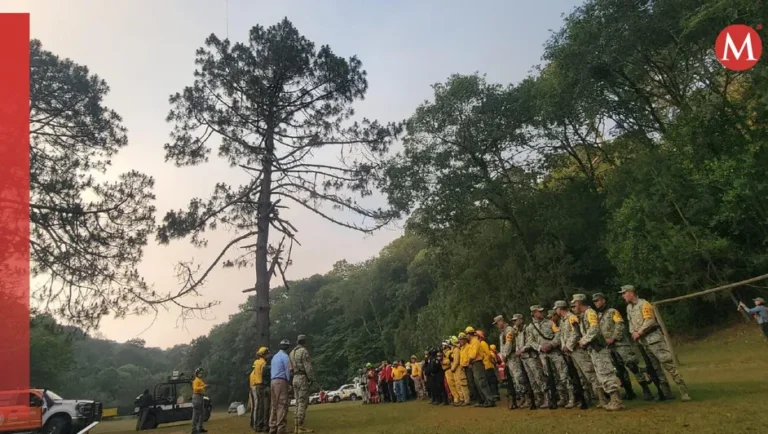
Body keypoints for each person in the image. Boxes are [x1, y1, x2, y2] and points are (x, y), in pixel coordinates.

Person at [621, 285, 692, 401]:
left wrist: (639, 332)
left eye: (624, 293)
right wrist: (633, 332)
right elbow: (630, 323)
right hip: (643, 342)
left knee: (668, 365)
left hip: (654, 340)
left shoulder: (644, 304)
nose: (623, 296)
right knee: (655, 368)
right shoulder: (629, 307)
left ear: (631, 293)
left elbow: (650, 320)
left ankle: (684, 392)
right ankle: (665, 392)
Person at [592, 292, 656, 401]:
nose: (596, 303)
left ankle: (646, 389)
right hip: (609, 347)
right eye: (594, 301)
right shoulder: (598, 316)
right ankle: (629, 391)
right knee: (619, 370)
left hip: (620, 344)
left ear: (603, 300)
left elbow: (620, 325)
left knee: (632, 365)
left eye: (597, 300)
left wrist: (614, 338)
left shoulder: (613, 312)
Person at [572, 293, 624, 411]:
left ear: (580, 302)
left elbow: (594, 328)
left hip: (598, 348)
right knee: (601, 374)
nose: (574, 306)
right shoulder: (583, 315)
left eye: (575, 303)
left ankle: (616, 401)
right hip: (593, 349)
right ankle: (611, 400)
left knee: (606, 372)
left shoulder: (590, 313)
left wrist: (583, 341)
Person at [554, 300, 596, 408]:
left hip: (577, 350)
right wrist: (564, 345)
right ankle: (585, 398)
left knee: (587, 372)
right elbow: (563, 335)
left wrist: (568, 345)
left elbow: (576, 333)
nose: (556, 311)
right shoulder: (563, 320)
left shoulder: (571, 317)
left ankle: (596, 396)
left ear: (560, 308)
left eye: (556, 309)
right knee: (578, 375)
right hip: (569, 351)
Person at [516, 314, 547, 409]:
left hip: (531, 356)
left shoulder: (527, 329)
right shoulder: (518, 332)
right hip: (524, 358)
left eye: (516, 320)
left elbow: (530, 342)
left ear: (521, 320)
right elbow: (517, 344)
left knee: (539, 377)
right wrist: (518, 350)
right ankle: (538, 398)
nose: (515, 322)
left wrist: (522, 349)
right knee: (532, 380)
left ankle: (547, 398)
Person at [289, 334, 314, 433]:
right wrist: (311, 378)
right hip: (302, 377)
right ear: (304, 342)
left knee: (297, 402)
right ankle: (300, 425)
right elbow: (307, 366)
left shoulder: (291, 353)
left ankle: (296, 426)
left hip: (295, 377)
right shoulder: (303, 351)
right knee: (303, 402)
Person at [466, 326, 496, 407]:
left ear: (470, 334)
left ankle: (490, 400)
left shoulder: (475, 342)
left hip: (478, 362)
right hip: (474, 363)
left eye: (467, 334)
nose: (466, 336)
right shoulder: (471, 342)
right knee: (478, 382)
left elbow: (473, 354)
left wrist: (469, 361)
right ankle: (486, 400)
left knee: (482, 382)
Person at [269, 339, 291, 434]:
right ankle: (281, 429)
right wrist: (288, 382)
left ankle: (272, 428)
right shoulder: (285, 357)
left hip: (273, 381)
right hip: (281, 381)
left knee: (274, 405)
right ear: (287, 347)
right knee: (282, 405)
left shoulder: (274, 357)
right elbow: (287, 371)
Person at [251, 347, 270, 432]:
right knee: (266, 406)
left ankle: (258, 425)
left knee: (259, 406)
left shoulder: (256, 362)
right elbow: (265, 375)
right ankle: (265, 426)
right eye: (267, 353)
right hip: (263, 385)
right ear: (264, 354)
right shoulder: (264, 363)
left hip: (257, 386)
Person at [476, 331, 500, 401]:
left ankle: (496, 395)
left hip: (488, 365)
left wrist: (488, 360)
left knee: (491, 380)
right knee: (489, 381)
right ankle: (493, 395)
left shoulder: (482, 343)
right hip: (485, 365)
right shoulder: (480, 343)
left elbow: (488, 353)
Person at [450, 335, 470, 406]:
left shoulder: (456, 350)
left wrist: (452, 368)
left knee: (462, 383)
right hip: (457, 369)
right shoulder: (457, 349)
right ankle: (462, 399)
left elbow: (456, 360)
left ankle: (465, 399)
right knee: (458, 384)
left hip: (458, 368)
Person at [191, 367, 208, 434]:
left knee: (202, 412)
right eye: (199, 373)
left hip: (201, 396)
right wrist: (203, 387)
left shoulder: (200, 380)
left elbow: (202, 387)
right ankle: (194, 430)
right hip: (197, 396)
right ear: (197, 374)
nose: (201, 374)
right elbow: (195, 388)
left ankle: (200, 427)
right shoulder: (196, 381)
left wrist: (205, 386)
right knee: (196, 414)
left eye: (201, 373)